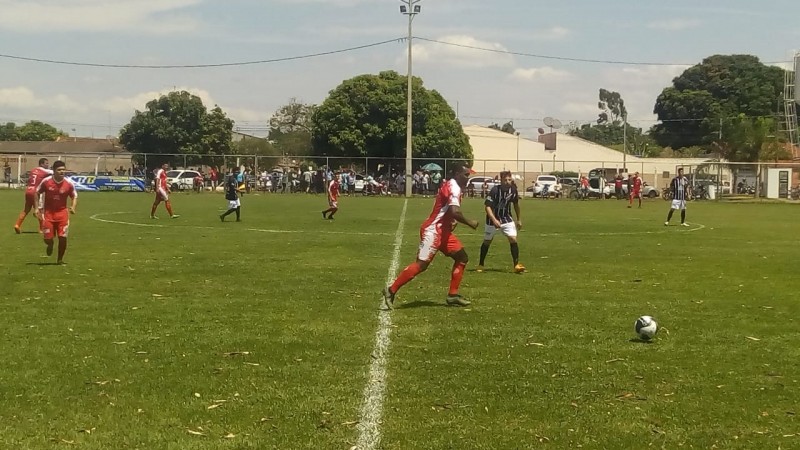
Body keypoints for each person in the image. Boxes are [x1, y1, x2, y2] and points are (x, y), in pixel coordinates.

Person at [382, 164, 479, 309]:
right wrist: (470, 222)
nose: (468, 178)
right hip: (433, 231)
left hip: (443, 231)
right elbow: (454, 211)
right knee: (421, 265)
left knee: (462, 257)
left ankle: (452, 296)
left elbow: (447, 209)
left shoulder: (452, 185)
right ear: (457, 174)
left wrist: (450, 222)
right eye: (466, 175)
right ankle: (391, 290)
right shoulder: (454, 187)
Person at [477, 171, 525, 274]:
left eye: (509, 179)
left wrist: (519, 219)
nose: (507, 182)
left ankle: (516, 265)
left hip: (506, 218)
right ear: (501, 180)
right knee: (487, 241)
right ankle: (481, 264)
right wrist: (494, 220)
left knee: (513, 239)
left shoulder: (513, 190)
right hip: (492, 219)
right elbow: (487, 207)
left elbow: (516, 204)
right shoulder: (495, 190)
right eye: (505, 180)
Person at [34, 161, 77, 264]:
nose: (62, 172)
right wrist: (36, 208)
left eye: (63, 169)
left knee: (63, 237)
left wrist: (73, 206)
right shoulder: (46, 181)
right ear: (54, 171)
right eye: (59, 170)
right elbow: (37, 192)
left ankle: (60, 259)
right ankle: (50, 244)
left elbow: (74, 195)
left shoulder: (68, 183)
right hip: (48, 214)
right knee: (48, 238)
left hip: (62, 214)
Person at [14, 157, 52, 234]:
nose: (48, 165)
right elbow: (54, 172)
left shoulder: (33, 170)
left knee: (26, 210)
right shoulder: (44, 171)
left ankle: (17, 225)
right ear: (41, 164)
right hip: (36, 192)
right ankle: (41, 229)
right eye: (46, 163)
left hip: (28, 190)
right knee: (40, 210)